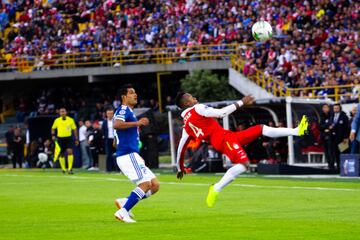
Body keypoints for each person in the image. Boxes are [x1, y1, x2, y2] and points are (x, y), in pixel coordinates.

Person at [174, 92, 308, 207]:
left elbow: (181, 147)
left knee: (261, 128)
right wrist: (241, 102)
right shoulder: (198, 108)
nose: (194, 98)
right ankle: (216, 188)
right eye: (191, 97)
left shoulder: (186, 126)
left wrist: (180, 168)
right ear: (186, 103)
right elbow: (222, 113)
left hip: (227, 137)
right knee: (244, 164)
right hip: (224, 139)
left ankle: (297, 131)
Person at [113, 84, 160, 223]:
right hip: (127, 155)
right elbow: (116, 125)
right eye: (132, 93)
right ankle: (123, 212)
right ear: (124, 97)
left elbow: (115, 141)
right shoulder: (123, 109)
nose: (135, 95)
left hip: (131, 154)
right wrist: (137, 123)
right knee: (145, 183)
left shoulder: (129, 112)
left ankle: (125, 202)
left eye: (135, 92)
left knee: (154, 185)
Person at [51, 107, 79, 174]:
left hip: (68, 138)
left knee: (70, 152)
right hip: (60, 138)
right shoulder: (57, 120)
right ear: (59, 113)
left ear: (66, 112)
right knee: (61, 154)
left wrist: (76, 139)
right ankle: (63, 169)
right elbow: (53, 128)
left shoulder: (70, 120)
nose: (62, 113)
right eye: (61, 112)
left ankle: (70, 169)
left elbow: (74, 129)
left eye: (64, 111)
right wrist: (53, 135)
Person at [332, 103, 350, 171]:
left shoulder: (344, 116)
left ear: (340, 109)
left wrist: (345, 137)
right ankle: (338, 168)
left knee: (343, 153)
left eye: (337, 108)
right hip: (334, 139)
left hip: (342, 139)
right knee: (336, 153)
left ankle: (344, 169)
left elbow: (347, 128)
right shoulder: (332, 116)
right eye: (334, 108)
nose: (335, 109)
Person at [319, 104, 337, 170]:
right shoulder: (321, 115)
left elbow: (331, 123)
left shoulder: (332, 115)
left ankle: (332, 165)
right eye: (323, 107)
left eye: (326, 107)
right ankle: (329, 165)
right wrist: (326, 127)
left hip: (331, 136)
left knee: (331, 151)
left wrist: (325, 127)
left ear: (329, 108)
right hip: (324, 136)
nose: (325, 109)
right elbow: (320, 126)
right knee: (326, 151)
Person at [102, 107, 116, 172]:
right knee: (108, 155)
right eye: (108, 113)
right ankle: (108, 170)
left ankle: (118, 170)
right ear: (106, 114)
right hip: (108, 140)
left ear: (113, 114)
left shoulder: (116, 121)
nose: (110, 115)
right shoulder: (104, 122)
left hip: (115, 140)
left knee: (117, 154)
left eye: (111, 113)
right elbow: (103, 131)